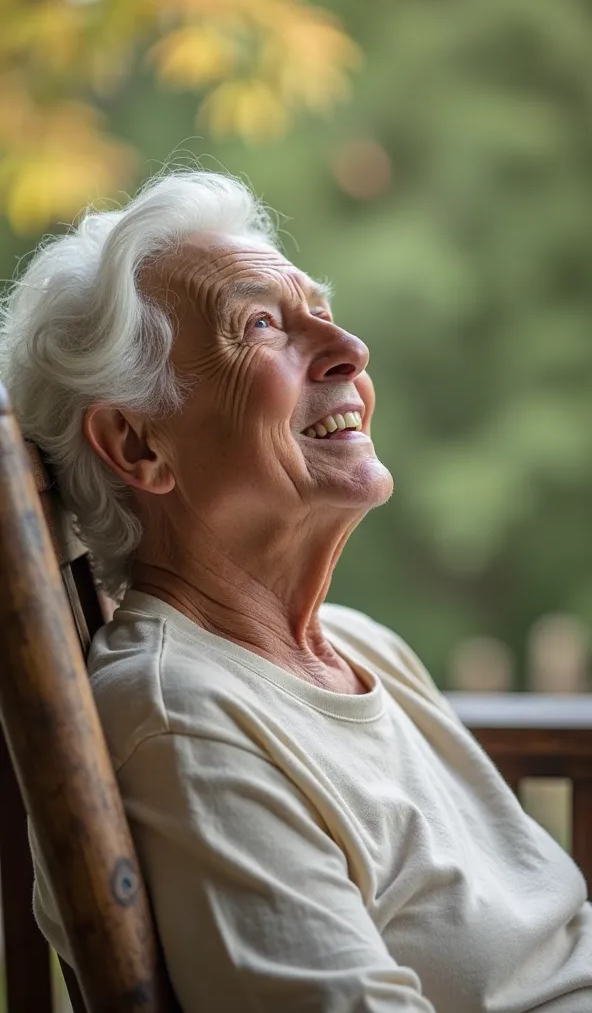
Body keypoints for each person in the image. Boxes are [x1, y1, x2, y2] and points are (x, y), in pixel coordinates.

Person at [1, 171, 590, 1013]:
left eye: (320, 306)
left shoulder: (361, 643)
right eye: (264, 325)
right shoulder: (184, 723)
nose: (350, 346)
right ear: (138, 445)